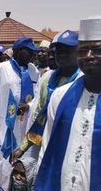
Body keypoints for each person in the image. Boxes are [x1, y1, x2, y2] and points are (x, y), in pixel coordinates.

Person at [36, 16, 101, 190]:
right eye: (83, 50)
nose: (88, 56)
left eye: (97, 50)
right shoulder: (60, 96)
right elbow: (47, 147)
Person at [11, 30, 80, 162]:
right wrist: (24, 146)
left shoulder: (83, 80)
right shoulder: (47, 79)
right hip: (44, 141)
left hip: (72, 146)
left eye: (67, 51)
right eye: (58, 51)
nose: (61, 55)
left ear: (78, 53)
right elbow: (39, 114)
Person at [0, 37, 39, 189]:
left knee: (24, 167)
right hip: (4, 128)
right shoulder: (0, 69)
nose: (33, 55)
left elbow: (38, 98)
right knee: (3, 165)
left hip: (26, 127)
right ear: (18, 51)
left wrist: (29, 105)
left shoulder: (33, 70)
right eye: (29, 51)